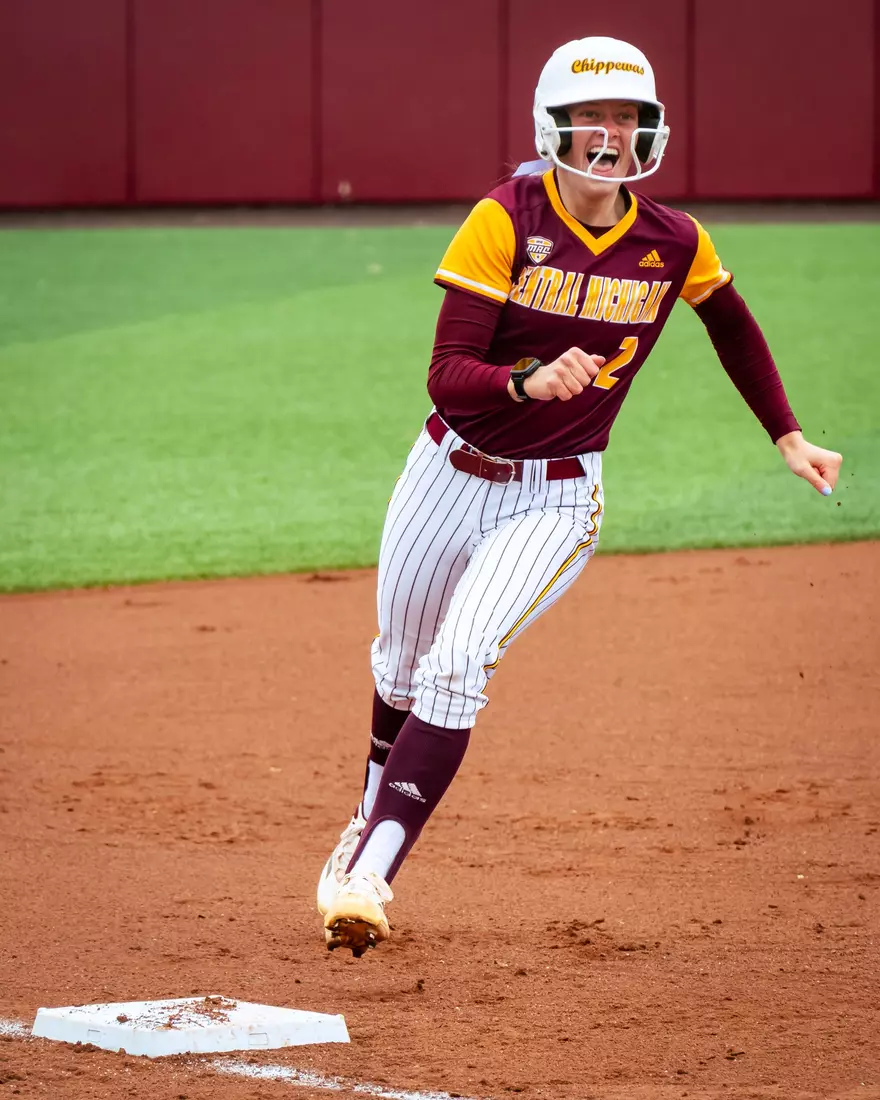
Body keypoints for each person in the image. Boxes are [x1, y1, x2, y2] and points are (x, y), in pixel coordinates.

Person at [316, 36, 843, 956]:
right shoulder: (504, 217)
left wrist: (787, 432)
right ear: (553, 125)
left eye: (630, 119)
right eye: (594, 119)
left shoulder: (674, 239)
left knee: (458, 661)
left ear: (652, 133)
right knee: (399, 664)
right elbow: (447, 374)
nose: (612, 135)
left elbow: (730, 321)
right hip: (446, 471)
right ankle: (361, 825)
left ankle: (368, 877)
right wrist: (523, 381)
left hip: (557, 499)